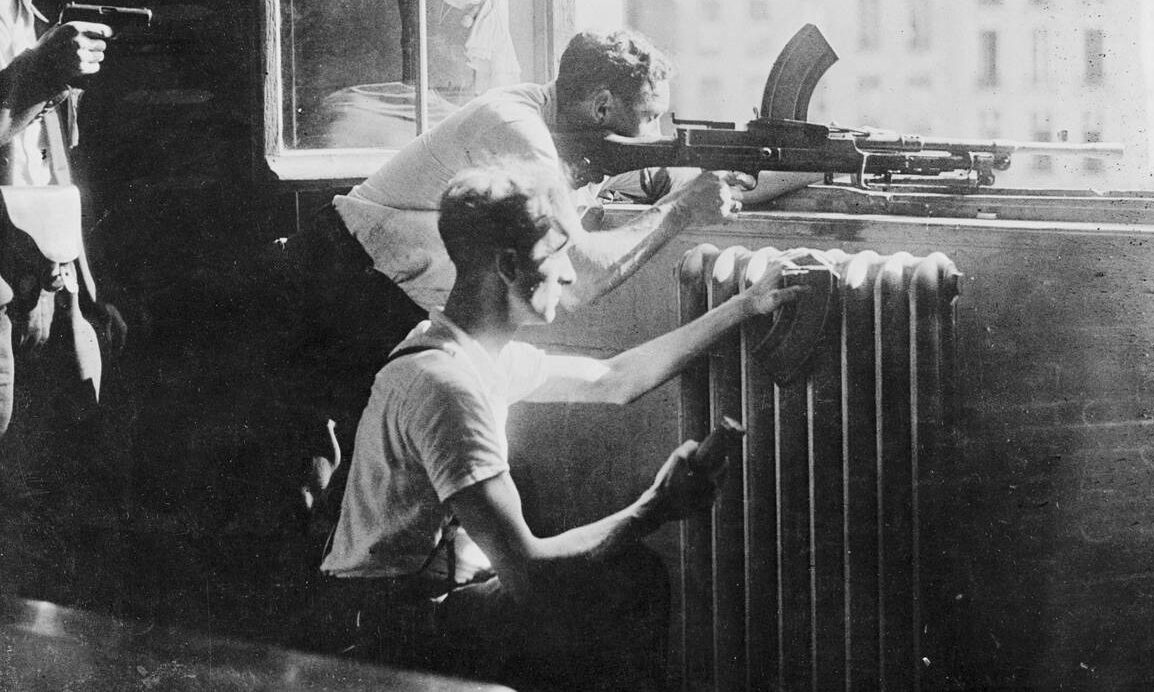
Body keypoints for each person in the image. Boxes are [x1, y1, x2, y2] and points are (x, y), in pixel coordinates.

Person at [316, 163, 807, 690]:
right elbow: (529, 575)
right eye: (560, 253)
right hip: (390, 633)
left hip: (426, 603)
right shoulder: (445, 386)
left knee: (621, 575)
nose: (571, 275)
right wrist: (656, 507)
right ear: (508, 265)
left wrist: (742, 306)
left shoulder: (471, 353)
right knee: (625, 580)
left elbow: (614, 378)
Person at [284, 29, 751, 507]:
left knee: (367, 499)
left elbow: (666, 177)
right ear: (603, 106)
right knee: (302, 489)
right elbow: (579, 279)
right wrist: (680, 211)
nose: (655, 135)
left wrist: (763, 164)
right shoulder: (514, 128)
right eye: (650, 117)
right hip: (330, 294)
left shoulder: (577, 140)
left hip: (383, 302)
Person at [0, 0, 120, 441]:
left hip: (51, 280)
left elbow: (47, 165)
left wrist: (85, 285)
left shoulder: (26, 9)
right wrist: (40, 71)